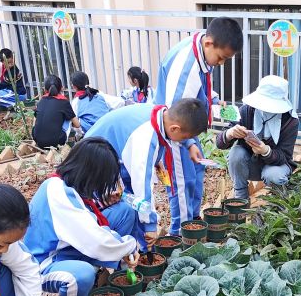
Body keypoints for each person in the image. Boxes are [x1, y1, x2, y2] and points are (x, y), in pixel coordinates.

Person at [23, 137, 141, 296]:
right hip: (44, 263)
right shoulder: (58, 192)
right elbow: (96, 240)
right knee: (83, 274)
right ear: (91, 173)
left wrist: (122, 247)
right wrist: (129, 246)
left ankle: (117, 275)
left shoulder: (66, 185)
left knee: (124, 212)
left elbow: (91, 223)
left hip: (67, 248)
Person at [155, 17, 242, 235]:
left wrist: (213, 99)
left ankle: (193, 219)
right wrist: (190, 143)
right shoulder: (186, 68)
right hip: (173, 133)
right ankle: (181, 234)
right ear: (209, 43)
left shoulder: (202, 50)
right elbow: (176, 118)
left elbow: (200, 87)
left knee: (197, 168)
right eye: (221, 58)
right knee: (182, 182)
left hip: (185, 127)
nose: (221, 63)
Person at [85, 98, 209, 246]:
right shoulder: (146, 136)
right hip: (93, 162)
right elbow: (142, 184)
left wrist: (187, 145)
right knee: (122, 204)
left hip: (112, 152)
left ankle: (139, 245)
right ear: (175, 129)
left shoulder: (162, 115)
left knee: (132, 201)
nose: (182, 141)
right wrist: (150, 224)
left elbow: (160, 139)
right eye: (185, 138)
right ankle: (120, 245)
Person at [216, 75, 298, 199]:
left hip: (276, 167)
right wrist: (230, 133)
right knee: (236, 153)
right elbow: (219, 143)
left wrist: (266, 151)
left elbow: (285, 157)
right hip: (250, 165)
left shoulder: (290, 121)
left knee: (273, 175)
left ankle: (277, 201)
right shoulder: (246, 111)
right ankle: (241, 197)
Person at [32, 75, 81, 149]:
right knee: (68, 119)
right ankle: (68, 145)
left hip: (38, 141)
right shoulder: (64, 102)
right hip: (55, 142)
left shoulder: (41, 101)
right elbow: (77, 125)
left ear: (45, 89)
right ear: (61, 88)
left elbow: (36, 120)